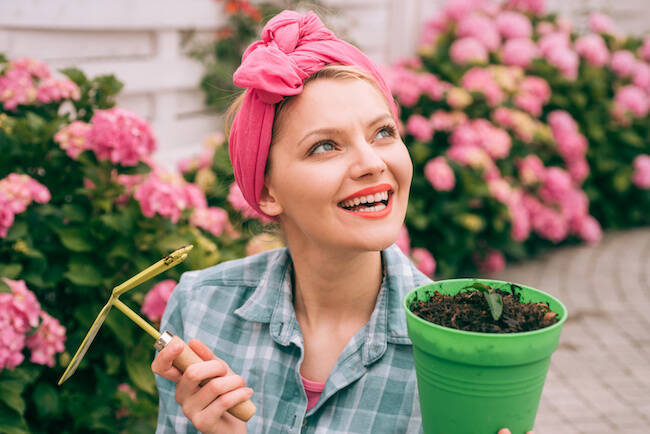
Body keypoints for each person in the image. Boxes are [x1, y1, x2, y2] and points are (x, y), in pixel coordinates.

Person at [152, 10, 531, 434]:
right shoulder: (201, 308)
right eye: (325, 146)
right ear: (265, 192)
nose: (372, 163)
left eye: (383, 133)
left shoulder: (459, 347)